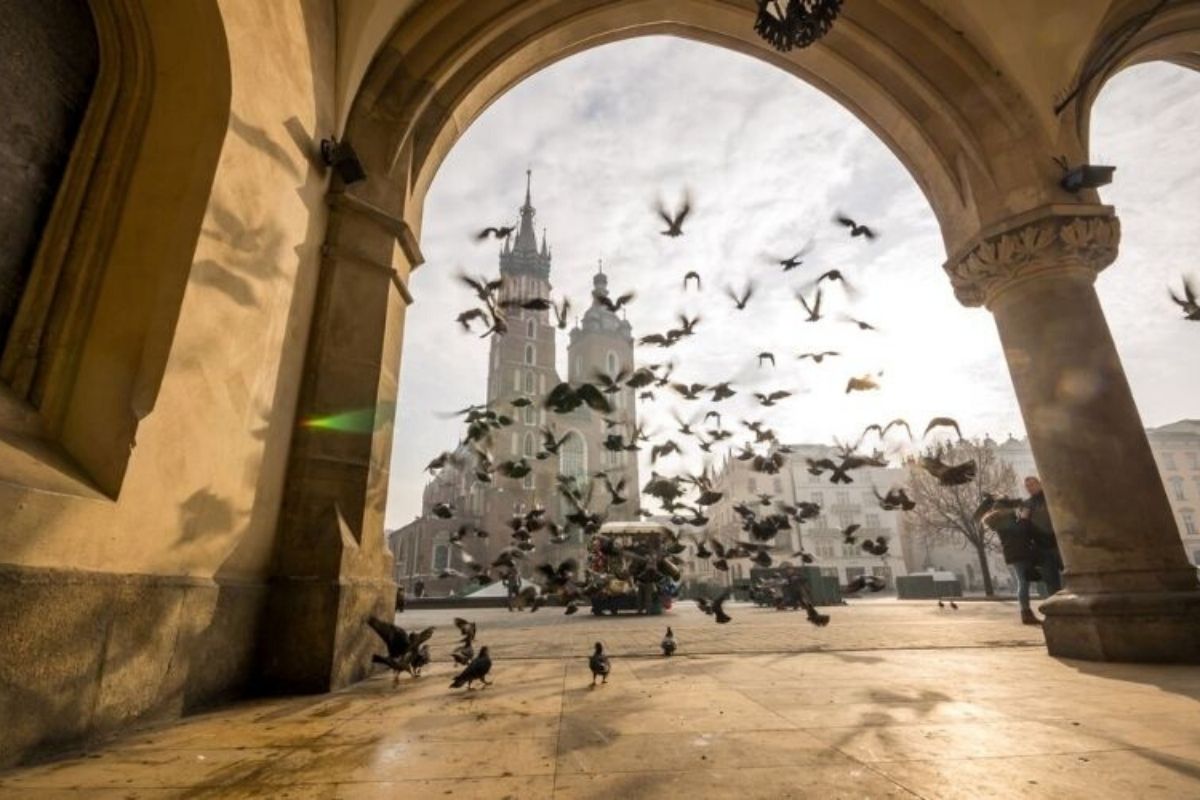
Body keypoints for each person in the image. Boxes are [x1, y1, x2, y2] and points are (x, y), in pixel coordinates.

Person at [1019, 476, 1063, 620]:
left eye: (1033, 484)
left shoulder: (1050, 498)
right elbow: (1024, 527)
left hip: (1059, 544)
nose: (1031, 487)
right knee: (1051, 582)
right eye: (1028, 486)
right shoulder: (1027, 504)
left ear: (1040, 484)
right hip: (1042, 547)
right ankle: (1057, 613)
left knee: (1068, 578)